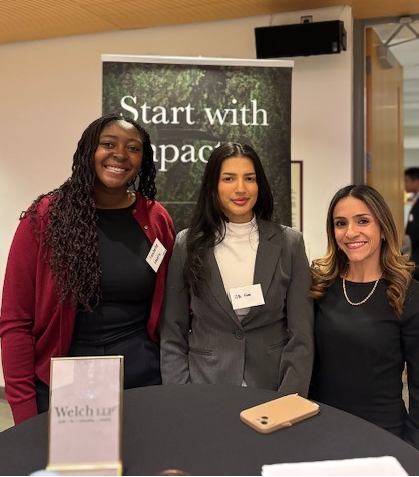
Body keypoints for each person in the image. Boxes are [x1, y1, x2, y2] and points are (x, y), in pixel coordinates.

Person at [0, 113, 175, 424]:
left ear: (143, 160)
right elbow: (15, 322)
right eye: (108, 144)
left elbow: (172, 305)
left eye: (133, 148)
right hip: (66, 385)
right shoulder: (44, 218)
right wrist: (25, 412)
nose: (120, 155)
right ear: (87, 151)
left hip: (145, 379)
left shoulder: (156, 218)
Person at [160, 142, 314, 395]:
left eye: (249, 178)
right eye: (229, 178)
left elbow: (302, 335)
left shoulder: (290, 243)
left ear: (259, 184)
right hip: (205, 387)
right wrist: (181, 394)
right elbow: (172, 332)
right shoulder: (187, 244)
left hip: (272, 386)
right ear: (213, 186)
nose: (240, 188)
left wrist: (290, 399)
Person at [309, 184, 419, 457]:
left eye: (363, 221)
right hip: (319, 430)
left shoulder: (410, 296)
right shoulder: (319, 289)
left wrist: (416, 451)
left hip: (382, 437)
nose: (351, 232)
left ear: (383, 229)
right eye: (341, 223)